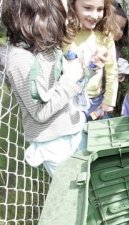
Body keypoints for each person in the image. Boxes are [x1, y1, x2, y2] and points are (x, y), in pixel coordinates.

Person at [1, 0, 89, 177]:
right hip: (55, 143)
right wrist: (70, 79)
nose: (65, 22)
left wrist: (85, 71)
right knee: (71, 192)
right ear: (40, 19)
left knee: (88, 181)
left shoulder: (45, 48)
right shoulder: (19, 59)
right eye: (59, 16)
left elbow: (64, 88)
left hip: (74, 130)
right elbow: (40, 112)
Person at [64, 0, 119, 121]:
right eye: (88, 8)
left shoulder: (105, 33)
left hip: (97, 102)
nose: (95, 15)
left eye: (100, 9)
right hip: (69, 103)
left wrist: (109, 101)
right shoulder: (65, 35)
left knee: (100, 137)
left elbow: (112, 70)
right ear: (72, 6)